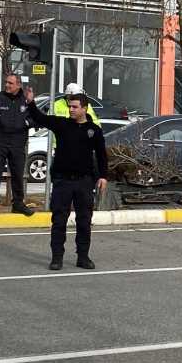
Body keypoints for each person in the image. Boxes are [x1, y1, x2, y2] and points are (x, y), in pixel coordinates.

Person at [25, 87, 108, 271]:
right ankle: (57, 258)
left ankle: (83, 257)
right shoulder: (62, 124)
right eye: (70, 106)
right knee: (59, 220)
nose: (71, 109)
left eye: (75, 107)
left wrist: (103, 176)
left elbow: (102, 155)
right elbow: (41, 118)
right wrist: (31, 103)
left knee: (84, 221)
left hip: (84, 181)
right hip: (63, 181)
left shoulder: (94, 130)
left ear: (84, 108)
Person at [0, 74, 34, 218]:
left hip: (17, 143)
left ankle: (18, 205)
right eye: (6, 82)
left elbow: (35, 117)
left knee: (17, 175)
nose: (7, 85)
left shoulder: (26, 100)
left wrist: (26, 123)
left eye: (10, 83)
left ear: (19, 85)